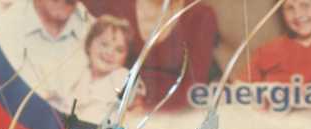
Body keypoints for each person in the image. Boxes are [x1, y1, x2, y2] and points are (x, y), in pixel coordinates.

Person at [79, 0, 218, 112]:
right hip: (114, 112)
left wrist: (144, 109)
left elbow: (194, 87)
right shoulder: (115, 5)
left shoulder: (199, 15)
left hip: (173, 117)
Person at [65, 15, 136, 123]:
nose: (110, 53)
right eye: (104, 44)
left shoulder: (120, 76)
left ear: (126, 57)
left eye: (119, 50)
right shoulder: (82, 74)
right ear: (89, 44)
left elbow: (135, 105)